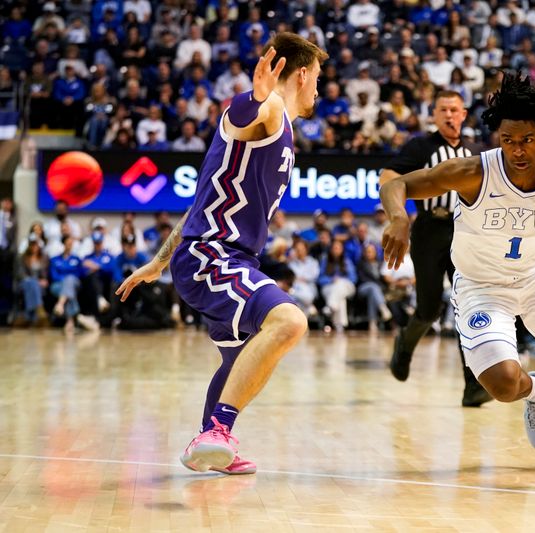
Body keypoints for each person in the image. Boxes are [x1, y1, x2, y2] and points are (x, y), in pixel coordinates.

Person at [380, 72, 535, 466]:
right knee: (502, 383)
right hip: (481, 286)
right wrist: (398, 218)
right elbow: (397, 186)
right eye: (508, 140)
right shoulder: (474, 171)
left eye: (526, 140)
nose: (517, 150)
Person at [116, 35, 327, 475]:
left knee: (239, 358)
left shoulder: (281, 129)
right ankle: (217, 432)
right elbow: (240, 117)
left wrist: (158, 262)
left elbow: (199, 205)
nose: (319, 91)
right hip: (212, 257)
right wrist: (255, 97)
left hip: (216, 256)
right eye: (318, 79)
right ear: (302, 73)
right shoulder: (268, 113)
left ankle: (208, 446)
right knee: (289, 321)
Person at [379, 90, 491, 408]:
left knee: (465, 307)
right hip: (430, 229)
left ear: (464, 114)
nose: (449, 115)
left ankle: (473, 385)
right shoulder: (420, 146)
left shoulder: (478, 152)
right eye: (443, 110)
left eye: (455, 109)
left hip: (467, 233)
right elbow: (388, 177)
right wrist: (397, 215)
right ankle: (405, 344)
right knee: (429, 310)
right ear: (434, 114)